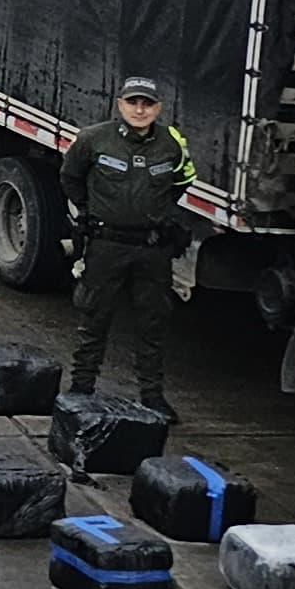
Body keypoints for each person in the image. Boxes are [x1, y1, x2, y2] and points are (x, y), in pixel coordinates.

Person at [64, 75, 199, 420]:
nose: (140, 110)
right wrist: (88, 213)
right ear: (120, 104)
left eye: (147, 104)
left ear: (159, 108)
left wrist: (158, 213)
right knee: (95, 318)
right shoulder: (93, 139)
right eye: (133, 102)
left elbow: (183, 180)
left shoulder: (172, 142)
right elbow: (70, 177)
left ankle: (152, 396)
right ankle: (81, 390)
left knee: (153, 323)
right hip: (106, 245)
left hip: (152, 248)